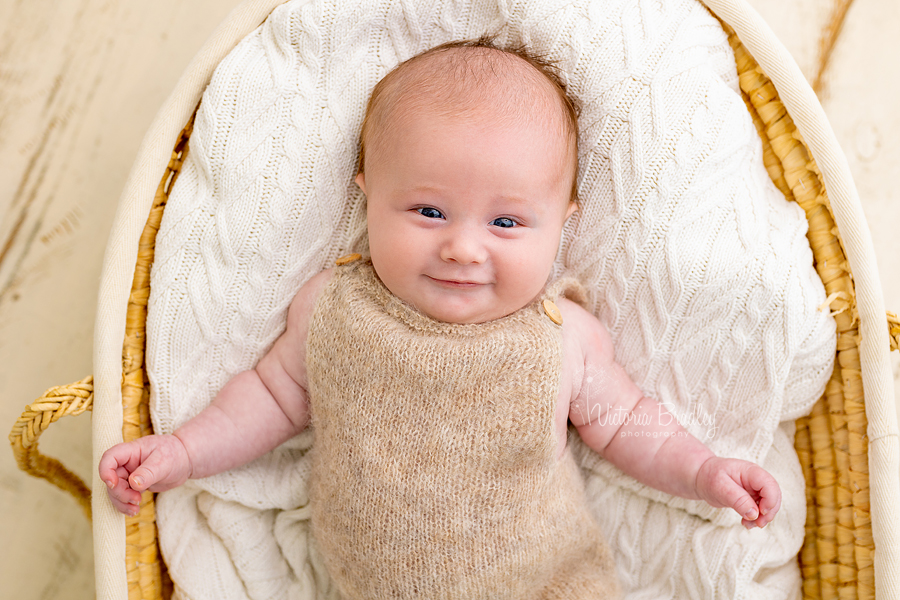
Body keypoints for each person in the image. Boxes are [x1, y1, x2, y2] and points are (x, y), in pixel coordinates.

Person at [100, 38, 781, 598]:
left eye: (507, 222)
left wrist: (704, 472)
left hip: (544, 585)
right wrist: (184, 451)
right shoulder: (333, 307)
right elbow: (271, 396)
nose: (462, 246)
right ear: (368, 196)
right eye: (428, 211)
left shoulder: (559, 338)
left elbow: (629, 423)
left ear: (561, 227)